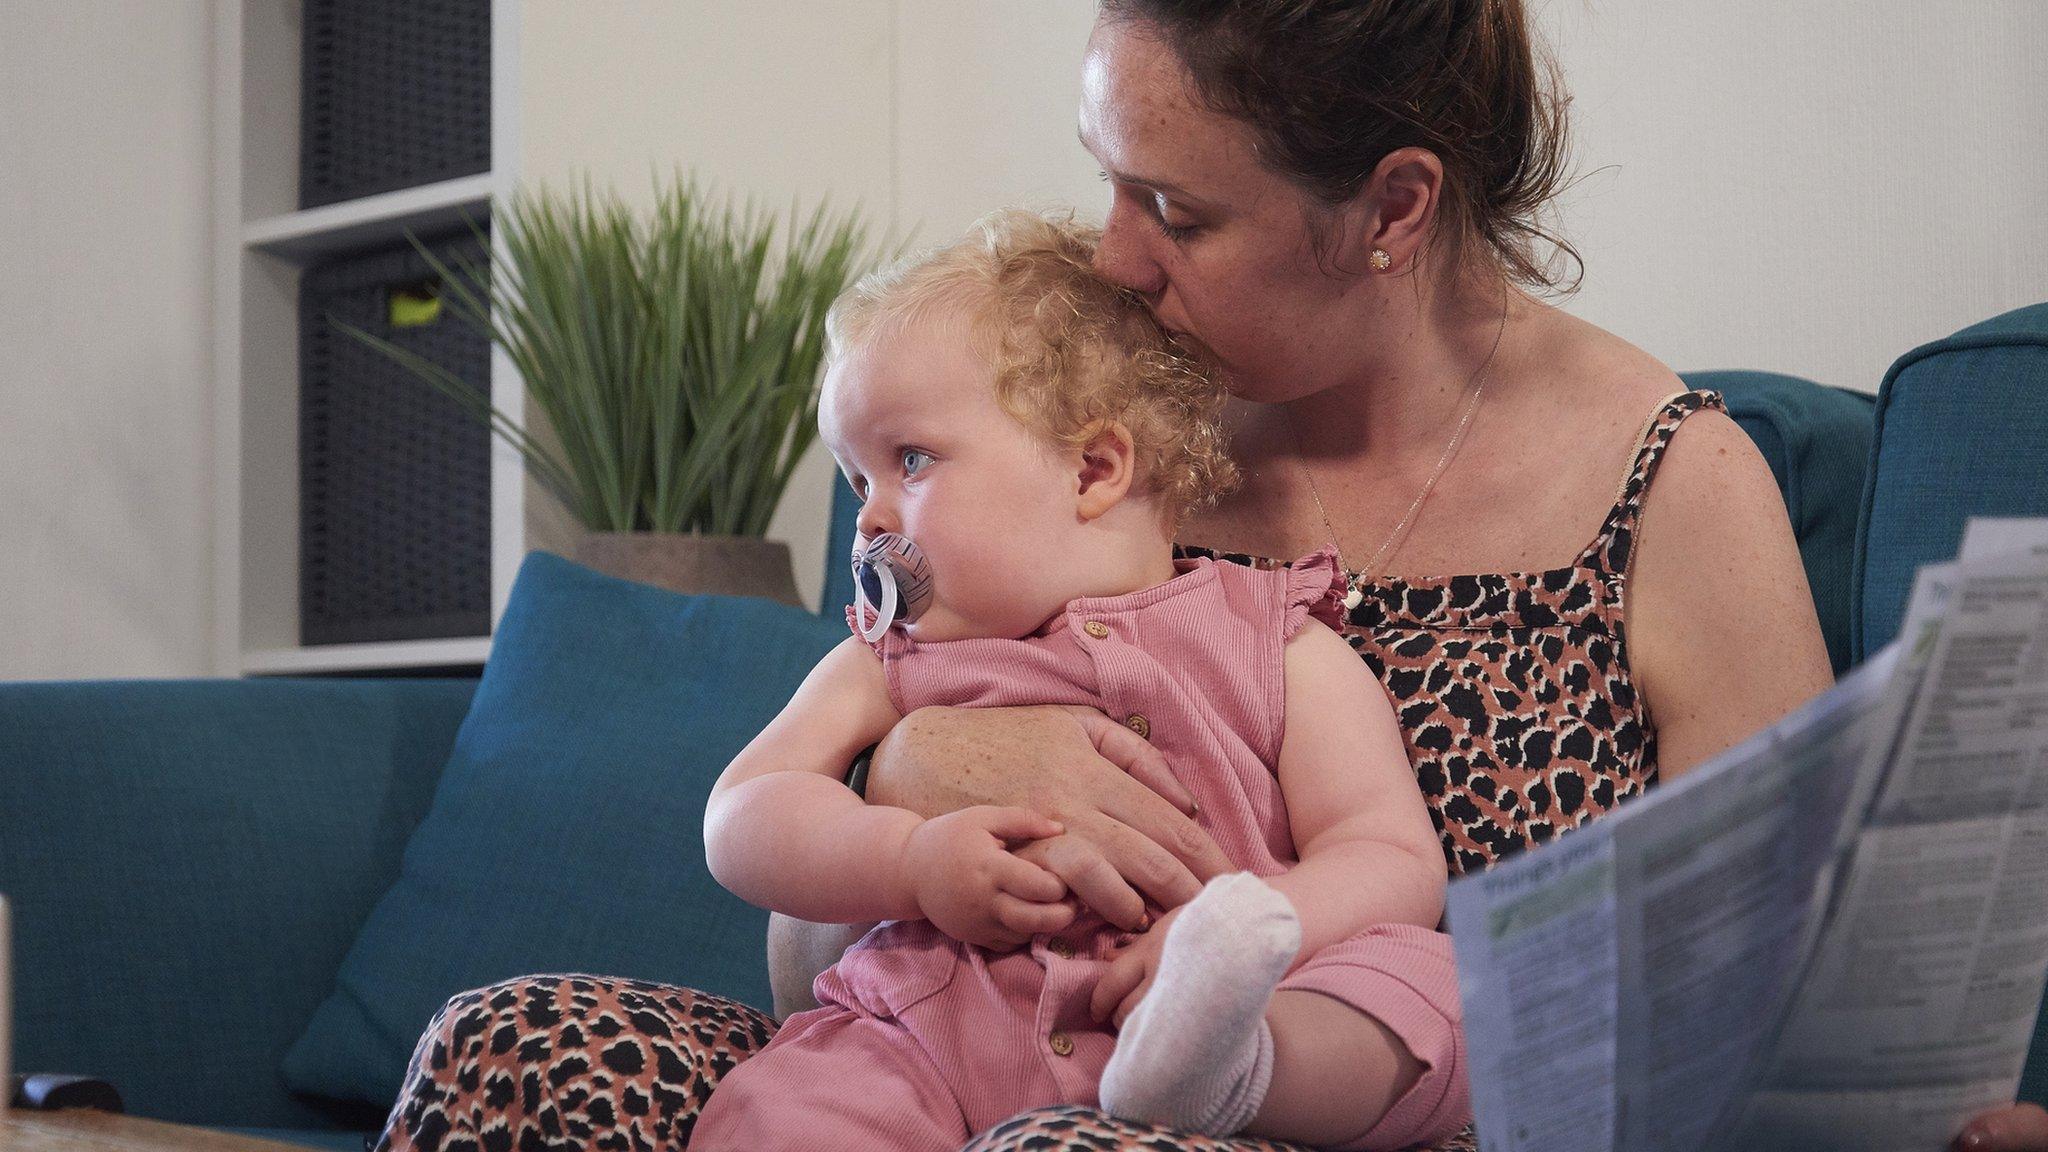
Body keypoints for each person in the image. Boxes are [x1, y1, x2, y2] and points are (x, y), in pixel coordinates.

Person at [372, 3, 2048, 1151]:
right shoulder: (1090, 420)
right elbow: (859, 744)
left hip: (1325, 1105)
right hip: (939, 1041)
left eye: (1172, 204)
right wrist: (919, 767)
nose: (1110, 253)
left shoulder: (1668, 485)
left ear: (1390, 209)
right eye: (1105, 173)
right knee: (512, 1053)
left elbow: (1773, 973)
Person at [692, 208, 1459, 1151]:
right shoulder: (887, 657)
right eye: (857, 480)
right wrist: (906, 861)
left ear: (1094, 467)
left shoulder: (1275, 640)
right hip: (928, 1039)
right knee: (786, 1102)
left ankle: (1231, 1072)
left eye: (912, 461)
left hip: (1202, 1016)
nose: (869, 518)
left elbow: (1391, 854)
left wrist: (1247, 930)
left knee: (1440, 990)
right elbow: (741, 815)